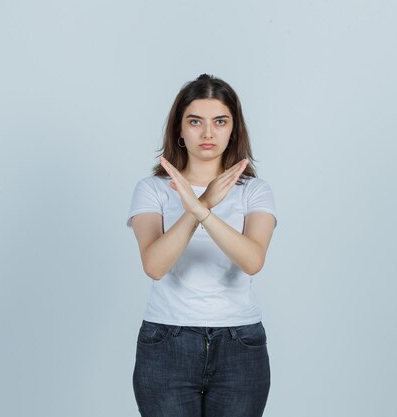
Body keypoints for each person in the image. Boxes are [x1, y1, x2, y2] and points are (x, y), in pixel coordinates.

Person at [126, 74, 277, 417]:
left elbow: (252, 260)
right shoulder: (152, 189)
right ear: (180, 130)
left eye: (219, 122)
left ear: (233, 130)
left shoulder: (255, 191)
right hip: (166, 342)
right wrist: (201, 205)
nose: (208, 133)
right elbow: (154, 265)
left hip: (240, 345)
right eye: (195, 122)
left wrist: (201, 210)